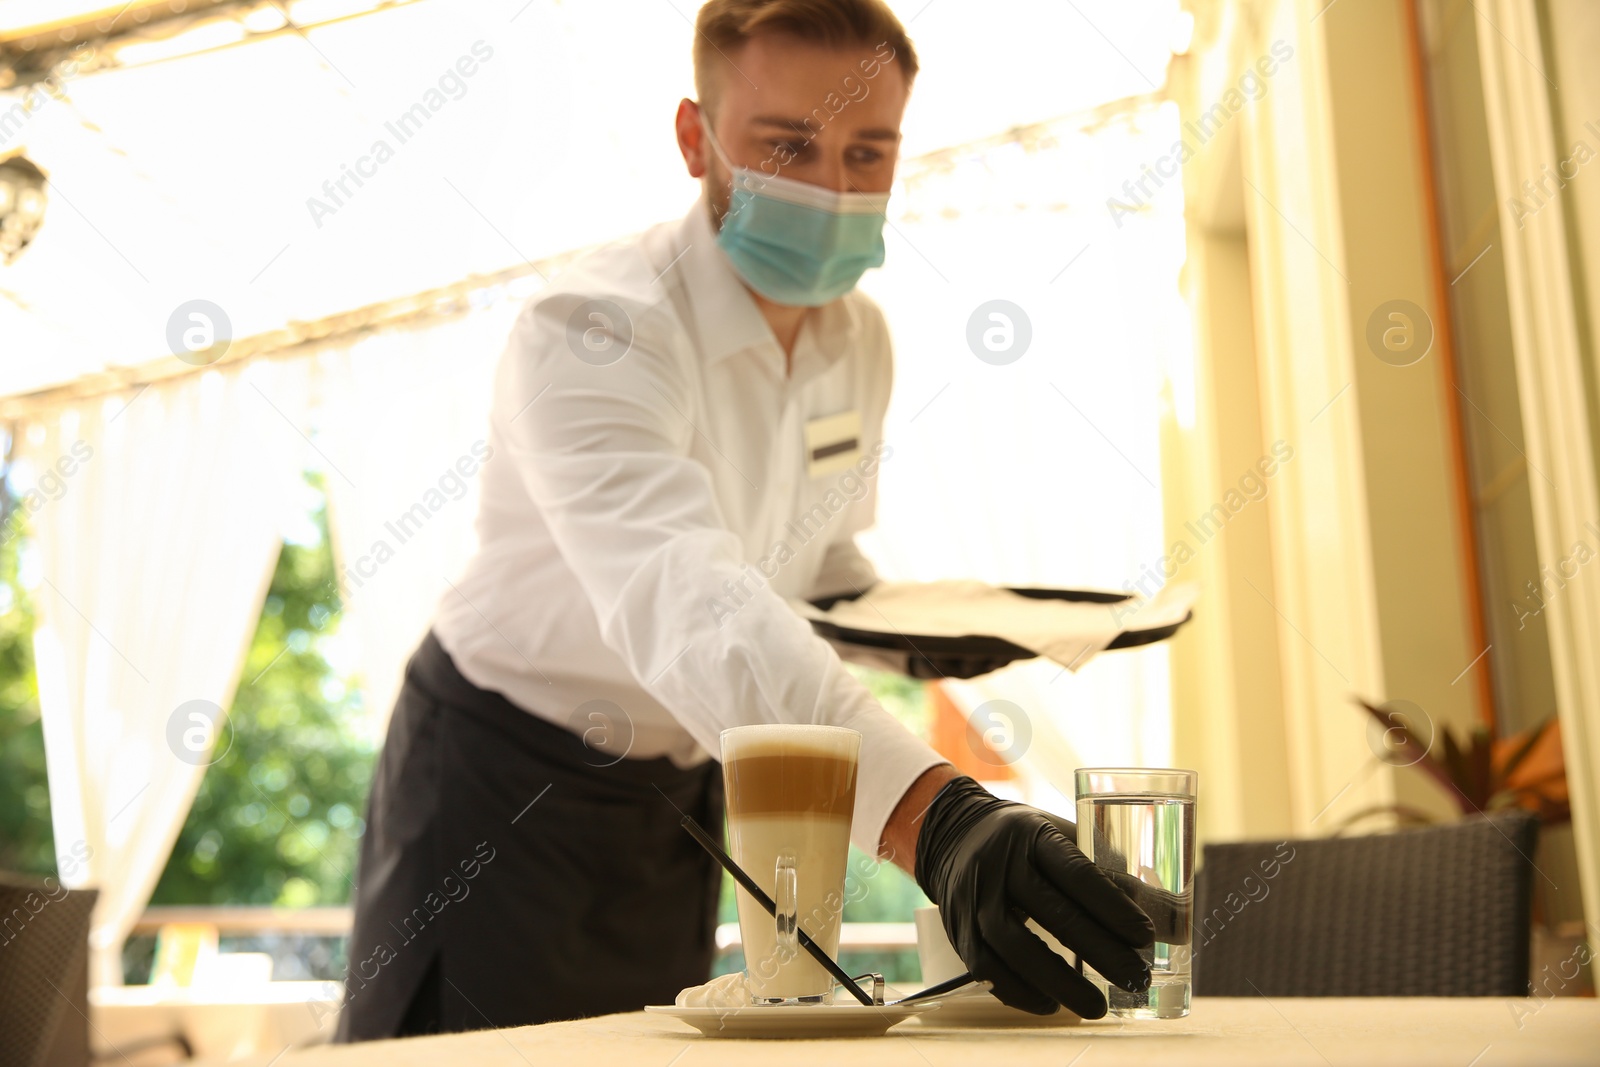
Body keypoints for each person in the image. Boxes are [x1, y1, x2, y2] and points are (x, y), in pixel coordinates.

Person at [335, 0, 1154, 1041]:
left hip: (688, 781)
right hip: (502, 773)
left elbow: (811, 566)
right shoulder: (592, 328)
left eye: (869, 151)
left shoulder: (860, 342)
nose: (833, 186)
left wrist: (938, 625)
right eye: (787, 144)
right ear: (695, 137)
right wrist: (936, 820)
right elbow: (686, 595)